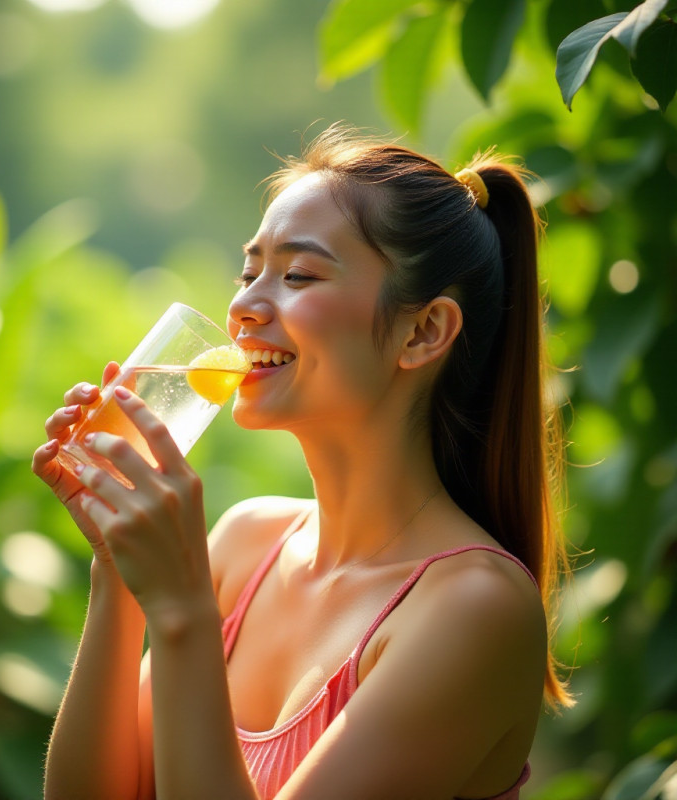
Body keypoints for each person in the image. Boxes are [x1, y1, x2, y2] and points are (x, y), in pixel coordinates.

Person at [32, 124, 573, 800]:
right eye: (248, 270)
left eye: (297, 275)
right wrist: (117, 573)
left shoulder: (473, 608)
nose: (242, 307)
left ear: (424, 331)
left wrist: (182, 611)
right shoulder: (245, 541)